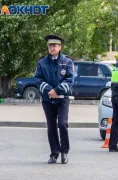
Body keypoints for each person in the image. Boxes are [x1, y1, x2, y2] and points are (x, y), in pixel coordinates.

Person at [34, 35, 74, 164]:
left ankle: (64, 152)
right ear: (48, 47)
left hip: (63, 99)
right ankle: (54, 153)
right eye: (50, 45)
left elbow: (70, 79)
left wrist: (57, 90)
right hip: (47, 100)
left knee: (62, 124)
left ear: (60, 47)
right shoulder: (41, 62)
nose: (52, 47)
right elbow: (38, 79)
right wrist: (49, 91)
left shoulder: (67, 61)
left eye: (55, 45)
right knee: (51, 126)